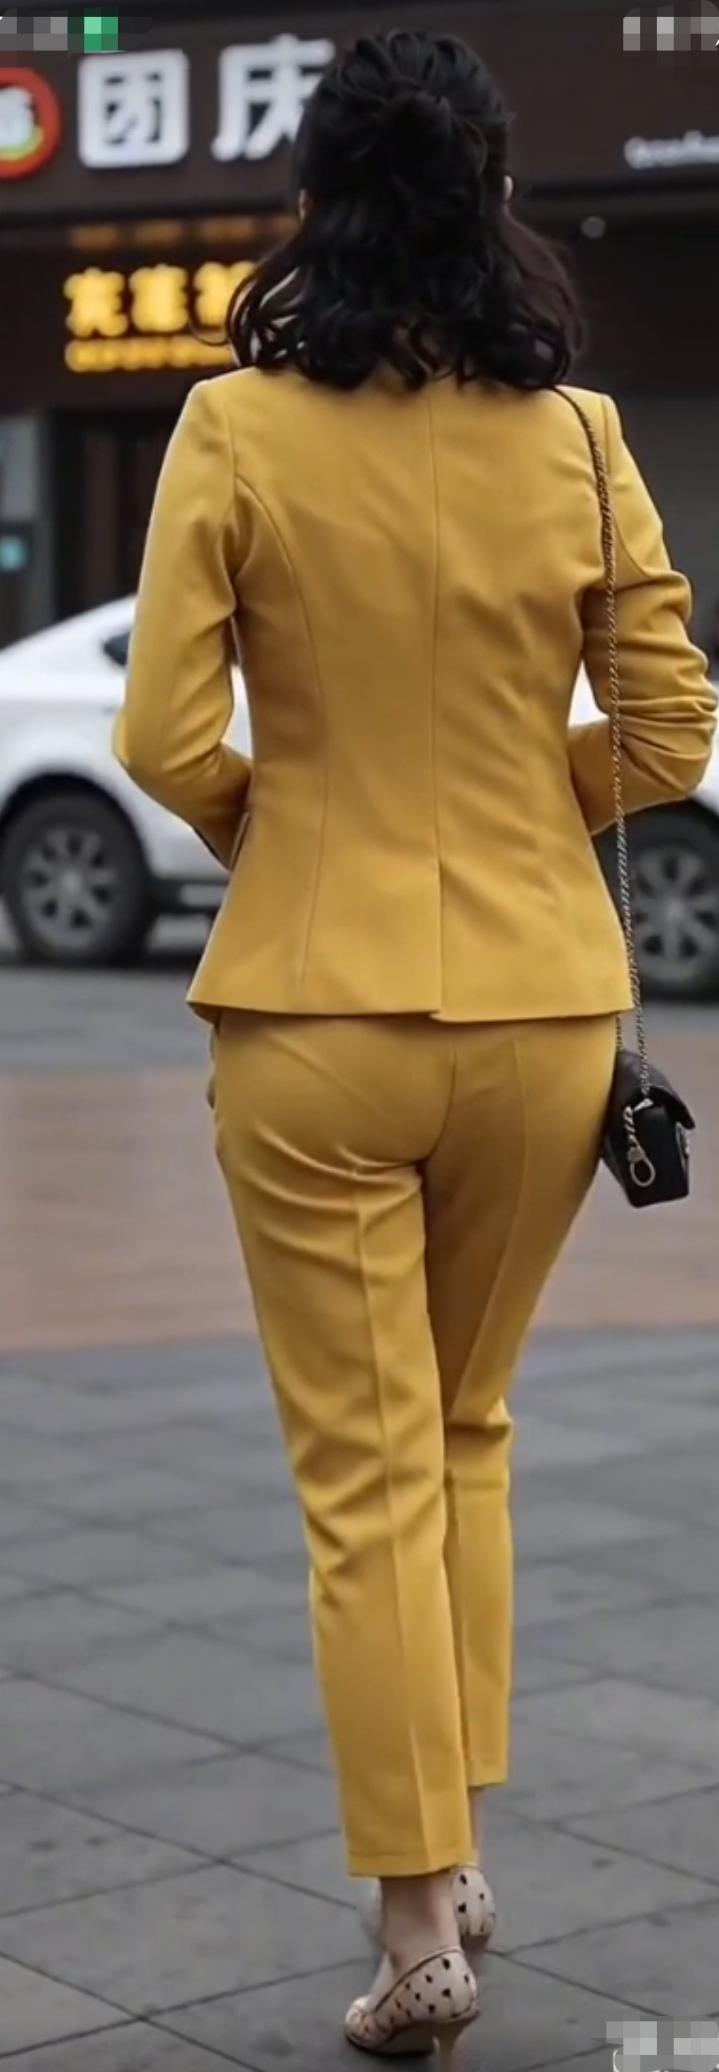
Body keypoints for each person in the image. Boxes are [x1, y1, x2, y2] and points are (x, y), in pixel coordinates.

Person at [115, 29, 716, 2064]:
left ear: (317, 203)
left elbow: (163, 735)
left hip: (314, 1015)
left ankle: (415, 1914)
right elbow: (670, 730)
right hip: (544, 1012)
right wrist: (517, 806)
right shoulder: (583, 438)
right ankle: (457, 1855)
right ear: (495, 202)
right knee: (465, 1436)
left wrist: (286, 830)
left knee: (365, 1478)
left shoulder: (231, 427)